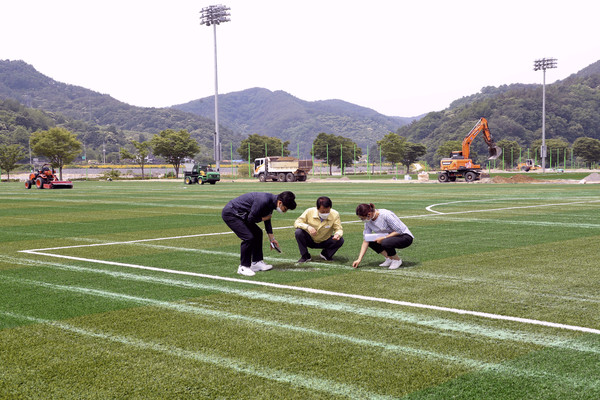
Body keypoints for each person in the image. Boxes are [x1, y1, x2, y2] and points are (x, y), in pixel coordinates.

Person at [222, 191, 296, 276]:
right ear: (280, 203)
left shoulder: (272, 203)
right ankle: (243, 267)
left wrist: (272, 239)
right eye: (285, 209)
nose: (285, 211)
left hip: (243, 215)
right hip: (231, 214)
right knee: (248, 237)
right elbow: (250, 219)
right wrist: (262, 218)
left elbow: (268, 220)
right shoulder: (263, 201)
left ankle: (256, 263)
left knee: (258, 233)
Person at [352, 203, 413, 270]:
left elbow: (399, 230)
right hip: (389, 237)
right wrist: (359, 259)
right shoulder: (368, 221)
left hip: (404, 237)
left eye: (363, 218)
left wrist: (384, 237)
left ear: (369, 214)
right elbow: (366, 240)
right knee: (370, 240)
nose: (363, 220)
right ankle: (389, 258)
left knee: (385, 241)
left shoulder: (386, 214)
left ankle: (397, 260)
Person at [293, 196, 344, 263]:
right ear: (317, 208)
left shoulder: (335, 214)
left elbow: (339, 228)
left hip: (325, 240)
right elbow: (297, 222)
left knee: (340, 240)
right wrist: (307, 227)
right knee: (298, 232)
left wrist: (337, 234)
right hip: (310, 240)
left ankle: (326, 254)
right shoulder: (309, 211)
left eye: (327, 211)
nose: (325, 213)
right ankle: (305, 256)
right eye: (322, 211)